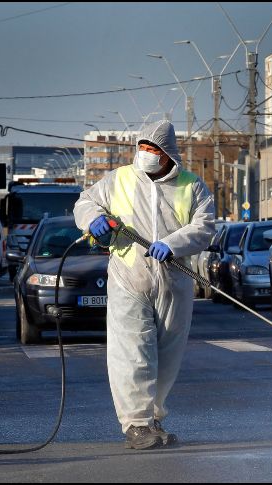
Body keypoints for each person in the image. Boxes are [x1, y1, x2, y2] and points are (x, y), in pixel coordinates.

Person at [73, 120, 215, 450]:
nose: (147, 154)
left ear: (168, 154)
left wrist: (174, 243)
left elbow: (205, 227)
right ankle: (136, 423)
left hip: (173, 278)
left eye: (153, 149)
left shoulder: (192, 186)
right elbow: (84, 202)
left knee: (168, 355)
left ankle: (153, 418)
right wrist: (94, 219)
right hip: (129, 275)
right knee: (132, 352)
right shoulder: (118, 179)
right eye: (143, 148)